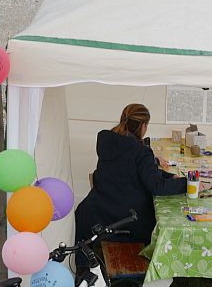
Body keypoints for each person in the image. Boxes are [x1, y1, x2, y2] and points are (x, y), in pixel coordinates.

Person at [75, 104, 187, 246]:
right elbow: (157, 186)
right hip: (125, 220)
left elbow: (128, 167)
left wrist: (167, 175)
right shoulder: (140, 151)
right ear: (143, 126)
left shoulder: (107, 140)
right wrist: (188, 184)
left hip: (95, 212)